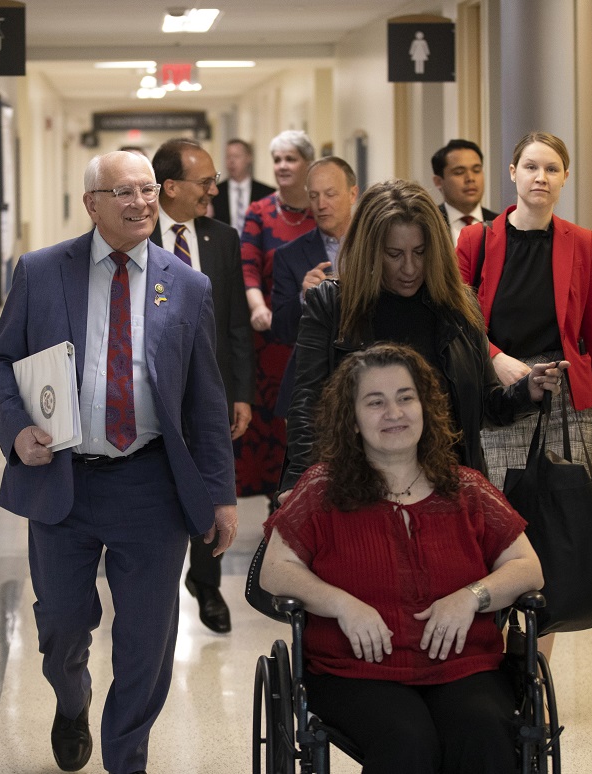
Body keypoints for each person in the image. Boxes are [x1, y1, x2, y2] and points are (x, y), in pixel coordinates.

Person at [0, 150, 238, 774]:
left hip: (151, 482)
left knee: (147, 639)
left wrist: (220, 491)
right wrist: (17, 434)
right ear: (92, 203)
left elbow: (206, 397)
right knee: (64, 624)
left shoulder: (187, 285)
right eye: (122, 192)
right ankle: (71, 701)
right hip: (64, 479)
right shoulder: (42, 273)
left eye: (148, 189)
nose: (140, 202)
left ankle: (127, 757)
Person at [262, 343, 544, 774]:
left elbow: (529, 568)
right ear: (352, 421)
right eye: (375, 402)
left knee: (485, 734)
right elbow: (275, 570)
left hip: (464, 666)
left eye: (405, 397)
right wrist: (342, 604)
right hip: (356, 670)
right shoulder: (322, 489)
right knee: (407, 742)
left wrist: (471, 596)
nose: (394, 412)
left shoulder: (466, 488)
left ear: (424, 408)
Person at [279, 178, 565, 498]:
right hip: (359, 489)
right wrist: (299, 483)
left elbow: (483, 407)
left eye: (420, 251)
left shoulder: (457, 308)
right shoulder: (331, 306)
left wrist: (527, 392)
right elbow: (307, 406)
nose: (410, 268)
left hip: (445, 489)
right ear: (371, 252)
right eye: (394, 254)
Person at [456, 131, 592, 490]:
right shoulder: (475, 240)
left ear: (565, 178)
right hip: (499, 393)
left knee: (564, 515)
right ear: (513, 172)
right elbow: (453, 319)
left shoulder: (582, 243)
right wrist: (494, 357)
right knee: (504, 516)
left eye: (552, 169)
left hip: (564, 401)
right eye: (530, 167)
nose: (541, 177)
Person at [150, 137, 253, 634]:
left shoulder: (221, 238)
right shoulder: (135, 235)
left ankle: (206, 582)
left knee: (212, 480)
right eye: (204, 181)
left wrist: (241, 393)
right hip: (153, 387)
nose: (214, 188)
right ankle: (155, 580)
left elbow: (234, 324)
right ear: (169, 187)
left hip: (210, 385)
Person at [236, 130, 318, 509]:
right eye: (277, 160)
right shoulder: (260, 211)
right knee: (274, 426)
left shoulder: (325, 211)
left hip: (317, 332)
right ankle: (279, 503)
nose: (282, 166)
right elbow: (247, 266)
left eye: (291, 159)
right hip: (270, 335)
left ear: (307, 164)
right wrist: (257, 306)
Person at [271, 156, 360, 347]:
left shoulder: (377, 244)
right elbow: (281, 330)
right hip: (317, 370)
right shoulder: (289, 256)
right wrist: (304, 297)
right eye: (314, 196)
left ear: (353, 194)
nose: (321, 205)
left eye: (330, 194)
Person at [432, 139, 499, 249]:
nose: (470, 178)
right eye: (459, 172)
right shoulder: (428, 223)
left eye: (476, 170)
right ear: (438, 181)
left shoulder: (501, 224)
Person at [210, 138, 275, 233]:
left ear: (249, 158)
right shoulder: (214, 192)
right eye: (228, 157)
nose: (231, 161)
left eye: (236, 156)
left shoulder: (267, 193)